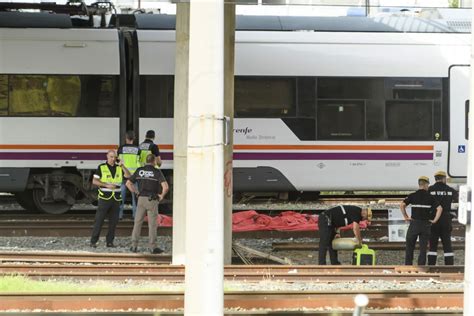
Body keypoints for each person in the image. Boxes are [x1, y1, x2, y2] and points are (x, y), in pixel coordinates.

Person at [126, 153, 169, 254]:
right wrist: (161, 196)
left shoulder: (139, 170)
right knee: (152, 225)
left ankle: (134, 246)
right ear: (154, 161)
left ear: (146, 161)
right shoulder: (157, 172)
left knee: (137, 223)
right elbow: (166, 187)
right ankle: (152, 247)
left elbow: (128, 183)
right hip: (152, 200)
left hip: (141, 199)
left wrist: (136, 192)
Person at [90, 150, 131, 248]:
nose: (113, 159)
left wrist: (122, 166)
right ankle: (93, 241)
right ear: (107, 157)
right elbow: (94, 181)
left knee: (113, 222)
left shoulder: (119, 168)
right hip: (104, 197)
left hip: (116, 199)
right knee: (99, 220)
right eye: (111, 157)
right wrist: (106, 185)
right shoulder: (101, 167)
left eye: (114, 157)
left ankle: (110, 242)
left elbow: (129, 176)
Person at [400, 176, 442, 266]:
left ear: (419, 184)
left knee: (410, 246)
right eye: (428, 185)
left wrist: (406, 216)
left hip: (414, 224)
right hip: (425, 225)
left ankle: (408, 266)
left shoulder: (412, 195)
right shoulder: (430, 197)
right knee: (423, 249)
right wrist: (434, 220)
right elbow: (440, 208)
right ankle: (421, 266)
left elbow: (402, 205)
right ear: (426, 184)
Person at [427, 170, 458, 265]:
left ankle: (431, 265)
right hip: (446, 220)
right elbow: (457, 204)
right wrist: (453, 215)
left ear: (435, 179)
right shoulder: (451, 190)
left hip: (433, 220)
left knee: (432, 245)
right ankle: (449, 265)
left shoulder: (429, 190)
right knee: (447, 244)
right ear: (444, 179)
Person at [117, 130, 141, 219]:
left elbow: (118, 162)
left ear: (126, 138)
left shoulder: (121, 149)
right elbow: (139, 163)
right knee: (135, 197)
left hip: (123, 176)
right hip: (134, 177)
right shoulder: (138, 149)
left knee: (120, 197)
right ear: (134, 139)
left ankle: (119, 216)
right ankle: (135, 216)